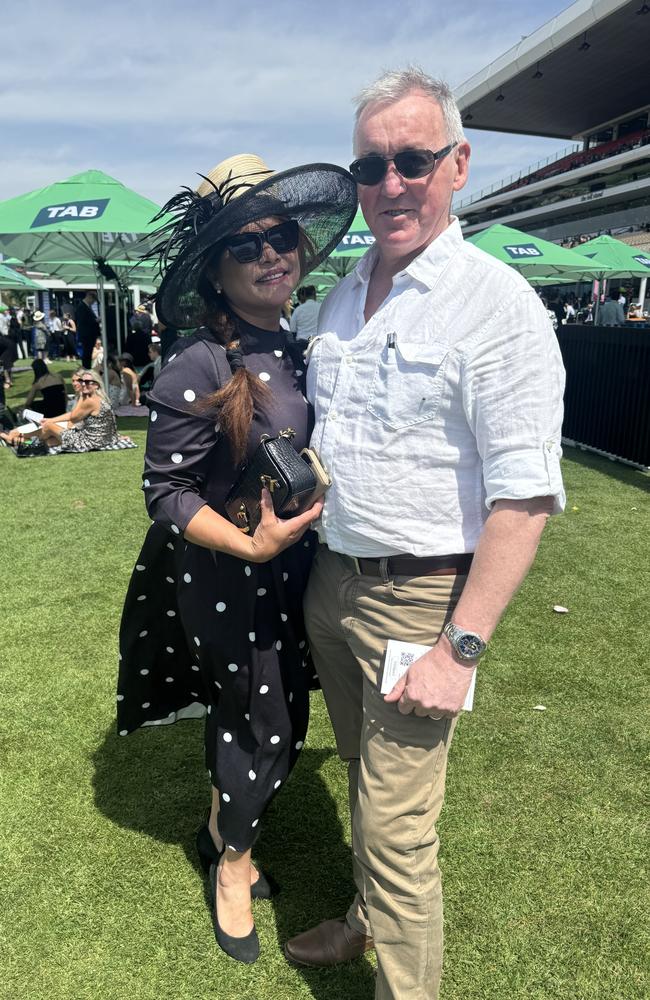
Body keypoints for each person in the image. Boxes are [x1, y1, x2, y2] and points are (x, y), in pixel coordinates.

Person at [283, 68, 566, 1000]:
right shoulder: (338, 298)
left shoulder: (497, 306)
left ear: (458, 164)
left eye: (412, 160)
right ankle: (365, 921)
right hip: (334, 584)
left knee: (401, 829)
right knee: (367, 781)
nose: (390, 184)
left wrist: (461, 648)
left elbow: (523, 499)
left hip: (421, 599)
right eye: (372, 166)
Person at [116, 153, 357, 965]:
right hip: (228, 576)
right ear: (216, 272)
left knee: (272, 717)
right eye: (246, 245)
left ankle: (222, 820)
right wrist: (250, 542)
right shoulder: (199, 361)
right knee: (263, 725)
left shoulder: (297, 348)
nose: (270, 255)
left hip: (294, 573)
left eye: (280, 236)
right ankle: (233, 861)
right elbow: (167, 492)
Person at [1, 368, 119, 451]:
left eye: (87, 382)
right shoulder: (99, 398)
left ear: (96, 385)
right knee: (49, 442)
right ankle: (17, 440)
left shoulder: (89, 400)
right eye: (82, 381)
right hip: (98, 440)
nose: (83, 384)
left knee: (47, 428)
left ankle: (17, 437)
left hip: (87, 441)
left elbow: (73, 417)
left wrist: (49, 421)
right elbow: (106, 423)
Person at [75, 291, 100, 369]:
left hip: (90, 335)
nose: (93, 302)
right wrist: (96, 320)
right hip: (86, 335)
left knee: (88, 353)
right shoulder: (81, 307)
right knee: (86, 354)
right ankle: (86, 368)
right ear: (89, 297)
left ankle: (87, 367)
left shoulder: (87, 307)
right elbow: (83, 321)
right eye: (93, 300)